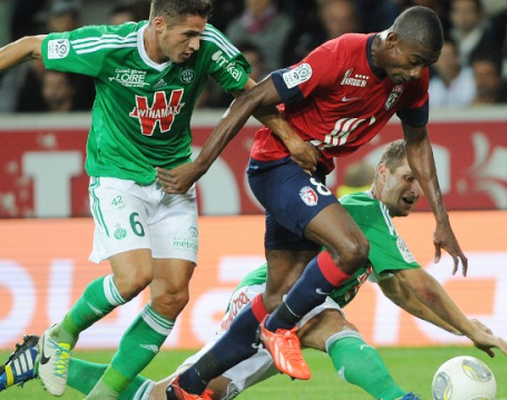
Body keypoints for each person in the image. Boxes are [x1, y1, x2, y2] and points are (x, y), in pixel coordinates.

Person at [0, 140, 507, 400]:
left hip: (286, 313)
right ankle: (398, 399)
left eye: (421, 184)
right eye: (407, 177)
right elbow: (419, 283)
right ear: (382, 172)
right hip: (264, 303)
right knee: (332, 323)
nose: (414, 189)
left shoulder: (375, 226)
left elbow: (404, 291)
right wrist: (469, 325)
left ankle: (39, 361)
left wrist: (462, 327)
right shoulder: (363, 210)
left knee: (180, 396)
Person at [0, 0, 297, 399]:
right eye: (187, 34)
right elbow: (31, 46)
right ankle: (59, 337)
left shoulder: (209, 45)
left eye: (200, 33)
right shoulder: (108, 46)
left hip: (172, 179)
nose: (195, 43)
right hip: (117, 176)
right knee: (134, 276)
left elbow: (251, 93)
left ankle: (105, 395)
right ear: (158, 24)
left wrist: (292, 138)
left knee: (173, 295)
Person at [155, 5, 469, 399]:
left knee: (277, 293)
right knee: (352, 248)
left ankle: (190, 383)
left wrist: (442, 219)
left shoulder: (412, 80)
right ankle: (278, 328)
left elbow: (418, 142)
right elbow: (251, 98)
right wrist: (199, 165)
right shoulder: (339, 55)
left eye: (425, 65)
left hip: (310, 172)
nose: (416, 72)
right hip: (277, 165)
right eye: (414, 60)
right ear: (392, 40)